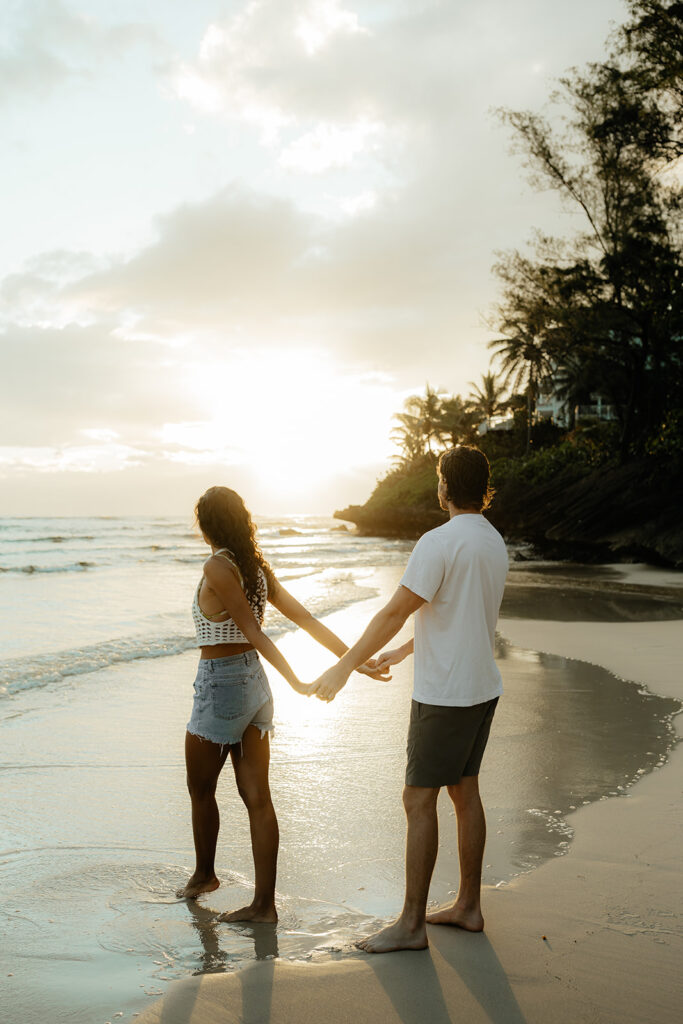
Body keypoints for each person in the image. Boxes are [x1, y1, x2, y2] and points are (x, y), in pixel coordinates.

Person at [311, 445, 508, 953]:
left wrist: (343, 665)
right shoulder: (492, 541)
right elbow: (462, 613)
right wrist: (400, 653)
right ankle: (468, 906)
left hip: (446, 695)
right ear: (482, 488)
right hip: (481, 688)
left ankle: (412, 925)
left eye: (440, 476)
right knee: (465, 793)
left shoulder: (437, 541)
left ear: (443, 486)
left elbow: (394, 610)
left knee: (418, 799)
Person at [179, 485, 386, 920]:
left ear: (207, 523)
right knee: (258, 797)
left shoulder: (217, 566)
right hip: (254, 687)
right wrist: (355, 661)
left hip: (222, 686)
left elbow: (253, 631)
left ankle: (204, 876)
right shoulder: (256, 570)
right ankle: (263, 905)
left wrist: (296, 680)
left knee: (201, 789)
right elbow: (306, 619)